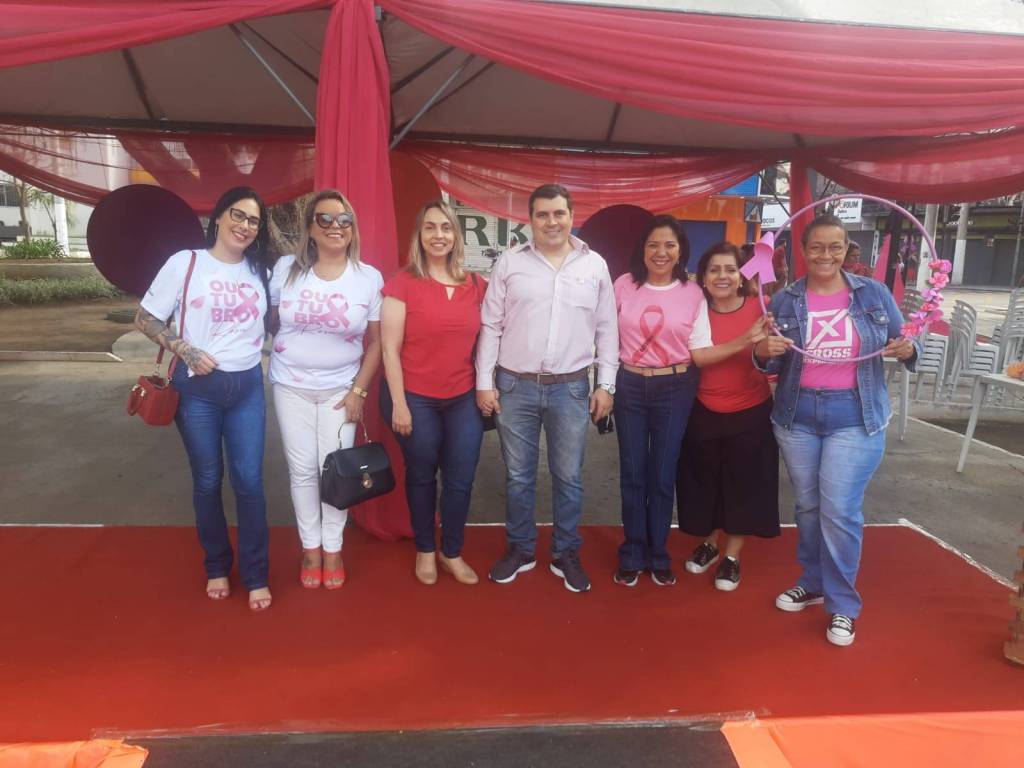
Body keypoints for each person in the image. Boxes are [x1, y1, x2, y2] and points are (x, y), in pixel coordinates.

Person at [755, 214, 918, 647]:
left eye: (835, 247)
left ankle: (842, 603)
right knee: (809, 507)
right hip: (798, 415)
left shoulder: (873, 293)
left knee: (840, 510)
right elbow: (771, 359)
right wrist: (762, 351)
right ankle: (812, 582)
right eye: (817, 247)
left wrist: (907, 348)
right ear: (802, 251)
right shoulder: (785, 299)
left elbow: (905, 340)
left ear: (847, 250)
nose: (826, 255)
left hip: (855, 414)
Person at [134, 186, 273, 611]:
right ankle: (216, 566)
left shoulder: (260, 271)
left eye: (254, 221)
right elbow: (144, 316)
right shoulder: (186, 262)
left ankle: (256, 574)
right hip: (198, 390)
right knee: (208, 480)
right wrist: (186, 349)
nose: (245, 226)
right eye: (238, 215)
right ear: (219, 217)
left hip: (247, 387)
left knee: (249, 481)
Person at [476, 184, 617, 593]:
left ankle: (565, 552)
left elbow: (608, 328)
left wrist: (606, 385)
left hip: (571, 389)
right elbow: (491, 325)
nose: (551, 222)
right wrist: (484, 382)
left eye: (559, 213)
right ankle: (521, 549)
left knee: (569, 477)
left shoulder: (595, 265)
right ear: (531, 219)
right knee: (518, 476)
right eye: (542, 214)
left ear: (571, 216)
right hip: (514, 386)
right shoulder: (510, 263)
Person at [612, 224, 766, 588]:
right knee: (633, 473)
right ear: (642, 249)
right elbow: (605, 335)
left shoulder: (693, 292)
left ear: (681, 250)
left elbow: (701, 344)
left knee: (663, 473)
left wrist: (755, 310)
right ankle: (632, 553)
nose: (661, 252)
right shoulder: (623, 285)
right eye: (653, 244)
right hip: (630, 385)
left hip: (675, 386)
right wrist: (603, 385)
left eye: (669, 244)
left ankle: (658, 554)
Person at [268, 190, 382, 590]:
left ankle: (333, 548)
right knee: (301, 470)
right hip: (290, 386)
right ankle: (311, 548)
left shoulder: (368, 278)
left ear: (353, 228)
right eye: (325, 219)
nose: (336, 226)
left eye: (344, 220)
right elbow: (267, 320)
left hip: (340, 389)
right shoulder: (286, 270)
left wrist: (359, 392)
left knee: (335, 470)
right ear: (310, 228)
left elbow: (377, 343)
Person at [380, 201, 487, 586]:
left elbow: (494, 338)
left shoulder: (477, 285)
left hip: (463, 397)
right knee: (422, 473)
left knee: (461, 477)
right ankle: (425, 548)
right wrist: (400, 404)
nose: (438, 235)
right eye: (430, 227)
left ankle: (451, 551)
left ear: (456, 235)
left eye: (445, 227)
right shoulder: (402, 283)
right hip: (415, 397)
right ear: (420, 235)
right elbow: (389, 348)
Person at [677, 242, 780, 592]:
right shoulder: (695, 310)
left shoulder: (761, 306)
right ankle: (709, 543)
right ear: (703, 277)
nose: (722, 276)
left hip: (751, 409)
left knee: (743, 485)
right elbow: (698, 356)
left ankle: (732, 556)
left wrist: (765, 346)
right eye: (714, 270)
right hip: (703, 409)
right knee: (704, 482)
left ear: (742, 275)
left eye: (730, 269)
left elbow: (771, 355)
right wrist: (745, 339)